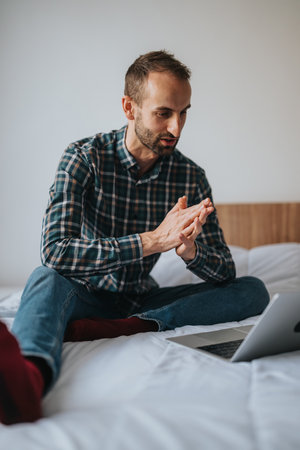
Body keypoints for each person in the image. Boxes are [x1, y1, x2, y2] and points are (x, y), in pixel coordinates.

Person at [0, 50, 269, 425]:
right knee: (44, 278)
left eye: (184, 112)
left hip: (141, 300)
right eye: (164, 113)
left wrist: (191, 252)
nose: (177, 127)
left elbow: (224, 271)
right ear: (130, 108)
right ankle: (30, 378)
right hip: (83, 294)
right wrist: (154, 241)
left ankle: (132, 326)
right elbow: (55, 252)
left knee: (253, 290)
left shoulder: (190, 176)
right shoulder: (83, 158)